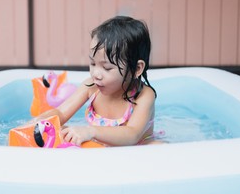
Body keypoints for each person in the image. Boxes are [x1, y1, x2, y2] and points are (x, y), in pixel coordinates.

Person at [34, 16, 157, 146]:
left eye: (107, 68)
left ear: (137, 69)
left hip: (138, 150)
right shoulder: (91, 87)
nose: (96, 74)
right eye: (93, 64)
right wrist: (37, 122)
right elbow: (61, 113)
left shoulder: (144, 96)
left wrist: (90, 131)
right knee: (63, 131)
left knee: (158, 146)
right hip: (99, 148)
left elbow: (132, 134)